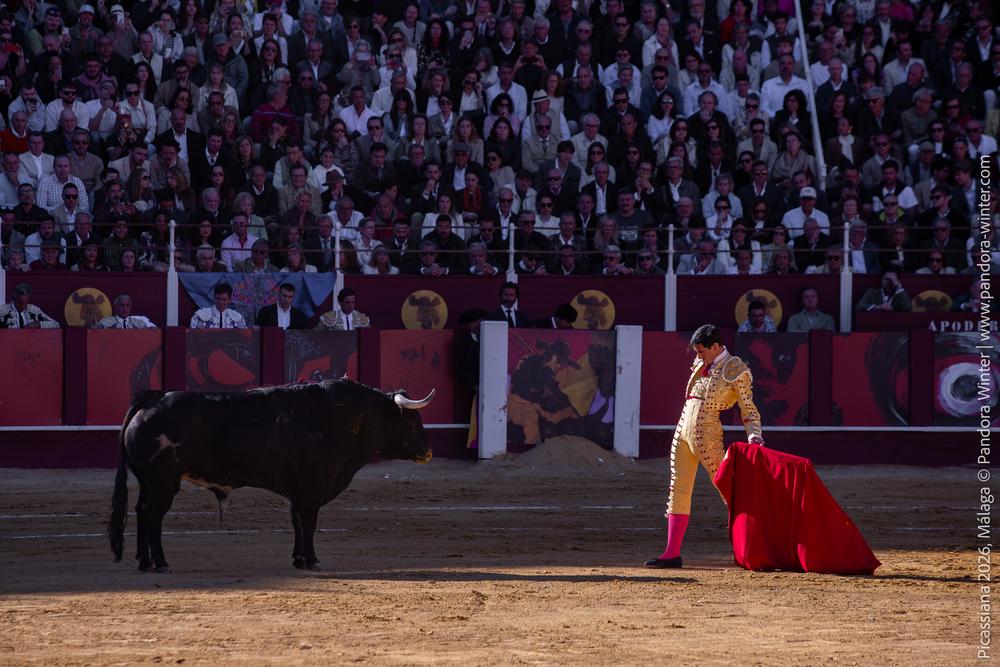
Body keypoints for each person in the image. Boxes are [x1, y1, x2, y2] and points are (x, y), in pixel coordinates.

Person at [646, 324, 763, 569]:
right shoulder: (702, 364)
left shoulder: (736, 369)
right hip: (682, 431)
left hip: (707, 435)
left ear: (716, 346)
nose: (698, 357)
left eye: (701, 351)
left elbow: (748, 408)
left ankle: (755, 547)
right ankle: (671, 553)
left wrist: (754, 436)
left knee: (728, 490)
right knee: (678, 489)